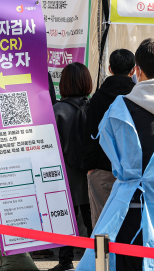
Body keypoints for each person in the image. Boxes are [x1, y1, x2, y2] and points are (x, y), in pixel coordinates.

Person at [77, 38, 154, 271]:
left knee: (127, 262)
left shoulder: (120, 107)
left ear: (138, 70)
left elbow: (109, 147)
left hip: (130, 204)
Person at [82, 49, 135, 225]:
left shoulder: (98, 97)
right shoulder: (137, 96)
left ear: (110, 69)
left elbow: (90, 134)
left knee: (103, 224)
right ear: (134, 70)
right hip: (132, 171)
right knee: (129, 224)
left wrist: (91, 167)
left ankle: (103, 255)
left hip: (102, 169)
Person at [50, 62, 93, 271]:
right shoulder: (94, 107)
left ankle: (65, 262)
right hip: (91, 174)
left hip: (66, 175)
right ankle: (95, 261)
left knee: (66, 219)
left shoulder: (58, 110)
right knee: (91, 218)